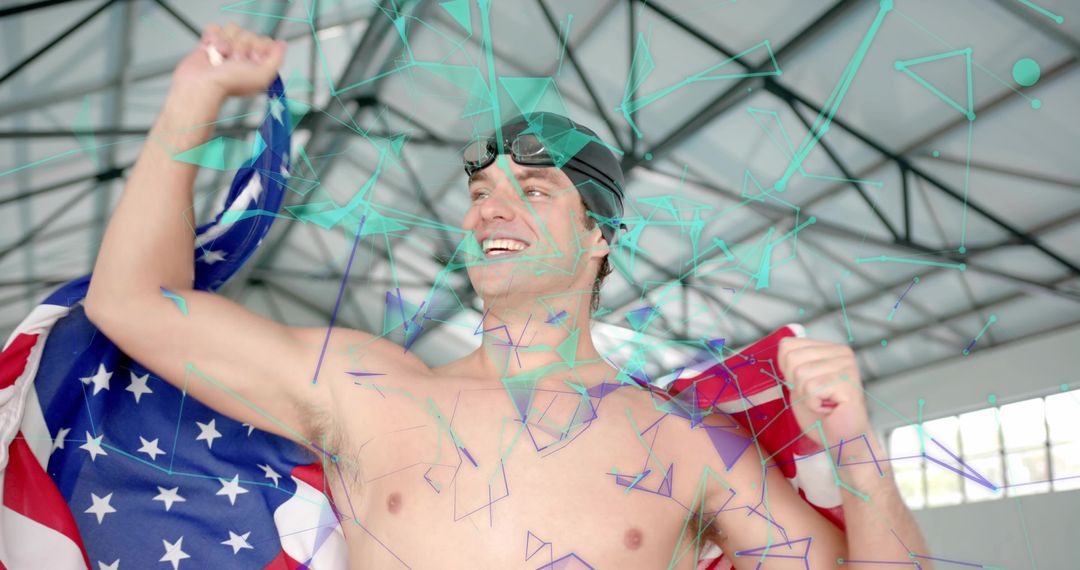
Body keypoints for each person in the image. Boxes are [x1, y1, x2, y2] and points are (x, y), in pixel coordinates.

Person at [84, 24, 929, 569]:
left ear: (600, 235)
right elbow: (129, 303)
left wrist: (855, 444)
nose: (491, 203)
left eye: (533, 188)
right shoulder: (367, 390)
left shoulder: (686, 447)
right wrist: (193, 100)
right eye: (482, 187)